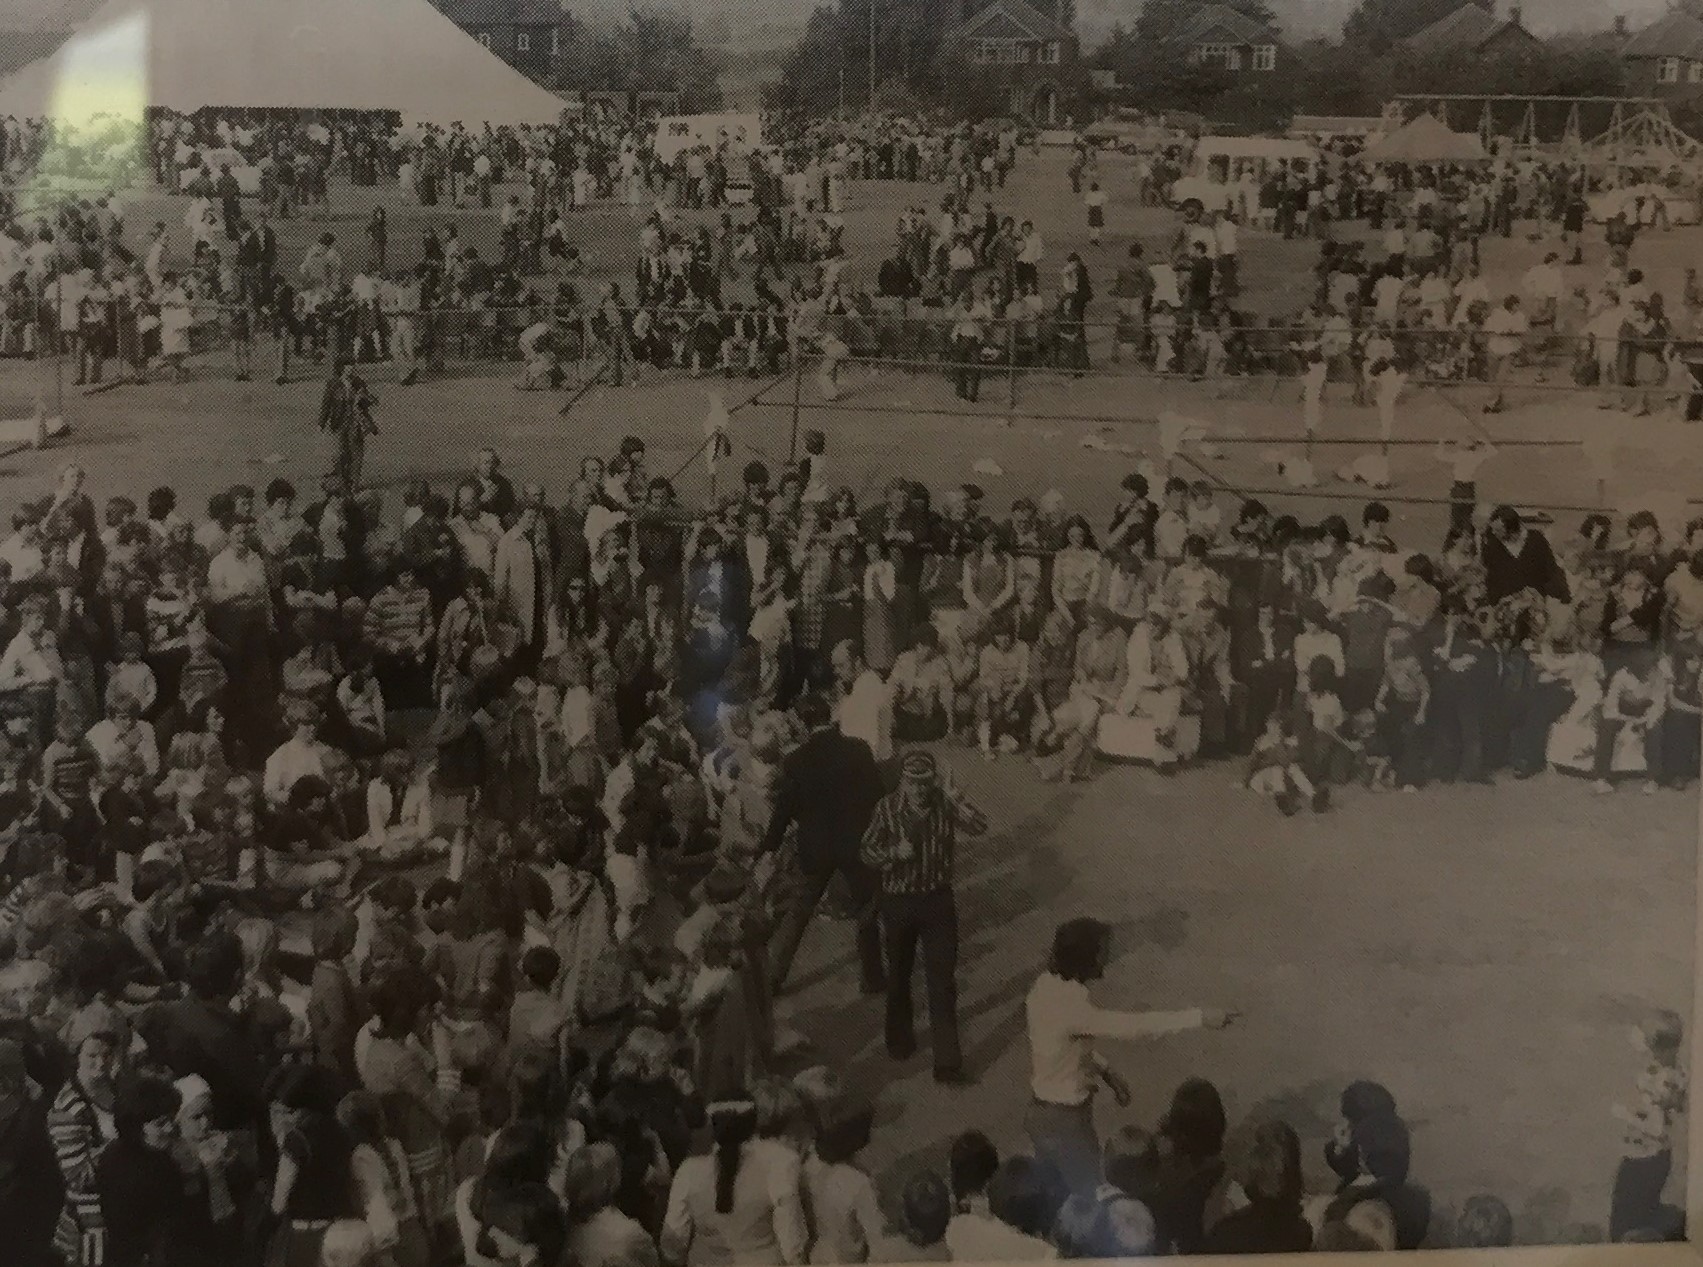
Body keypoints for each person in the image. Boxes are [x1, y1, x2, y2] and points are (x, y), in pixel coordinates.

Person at [1024, 917, 1234, 1198]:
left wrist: (1106, 1071)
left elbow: (1059, 1047)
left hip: (1044, 1114)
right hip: (1067, 1124)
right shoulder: (1073, 1008)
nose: (1108, 956)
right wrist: (1199, 1017)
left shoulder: (1045, 986)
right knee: (1094, 1199)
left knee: (1058, 1196)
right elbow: (1134, 1028)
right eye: (1102, 951)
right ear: (1086, 957)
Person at [859, 751, 986, 1085]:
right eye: (912, 783)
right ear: (902, 781)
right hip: (898, 905)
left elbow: (980, 826)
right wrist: (892, 854)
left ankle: (947, 1063)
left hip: (937, 903)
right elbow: (866, 851)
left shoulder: (945, 804)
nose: (918, 790)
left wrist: (960, 802)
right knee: (899, 977)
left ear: (932, 782)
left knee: (942, 983)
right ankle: (899, 1040)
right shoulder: (886, 808)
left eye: (924, 783)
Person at [760, 692, 886, 996]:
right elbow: (877, 793)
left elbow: (784, 809)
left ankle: (773, 978)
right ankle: (872, 978)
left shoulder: (796, 761)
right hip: (855, 844)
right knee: (866, 909)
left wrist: (769, 845)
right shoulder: (859, 750)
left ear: (803, 724)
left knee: (799, 910)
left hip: (815, 848)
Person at [318, 358, 376, 496]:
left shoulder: (359, 383)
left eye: (352, 366)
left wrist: (366, 399)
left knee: (356, 453)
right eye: (347, 366)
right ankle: (342, 482)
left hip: (355, 423)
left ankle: (354, 484)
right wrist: (321, 422)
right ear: (341, 368)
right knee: (340, 454)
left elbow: (367, 402)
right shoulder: (333, 384)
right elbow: (326, 403)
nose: (351, 369)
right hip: (339, 423)